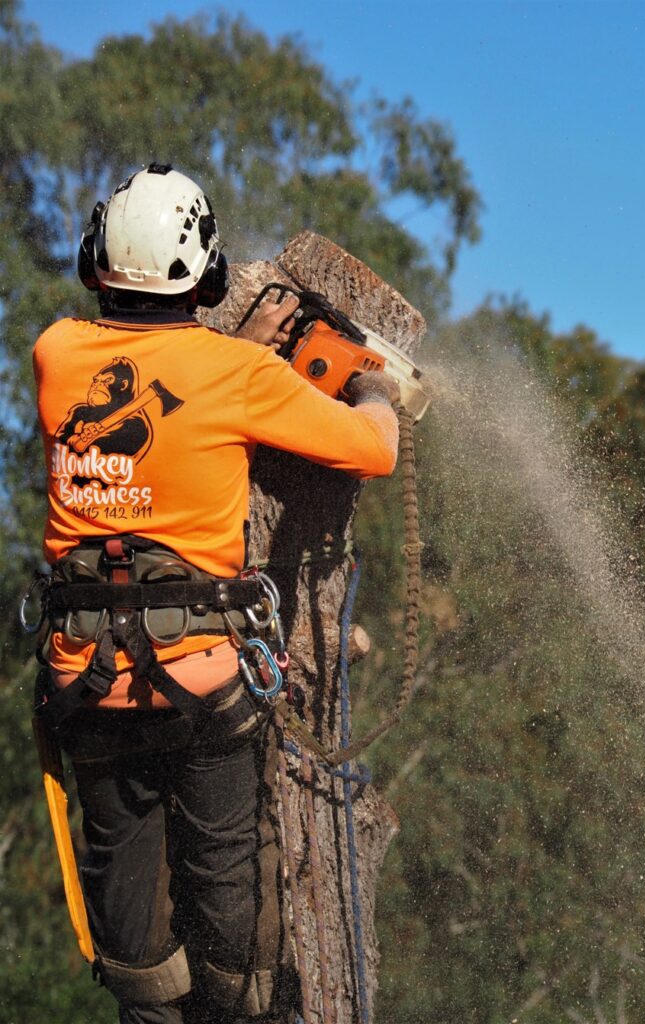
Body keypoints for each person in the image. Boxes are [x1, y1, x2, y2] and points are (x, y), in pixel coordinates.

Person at [32, 163, 400, 1024]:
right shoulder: (240, 376)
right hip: (202, 685)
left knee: (137, 947)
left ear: (95, 260)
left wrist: (237, 345)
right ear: (204, 275)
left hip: (85, 686)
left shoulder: (55, 356)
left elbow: (158, 368)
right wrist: (374, 388)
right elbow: (370, 449)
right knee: (232, 922)